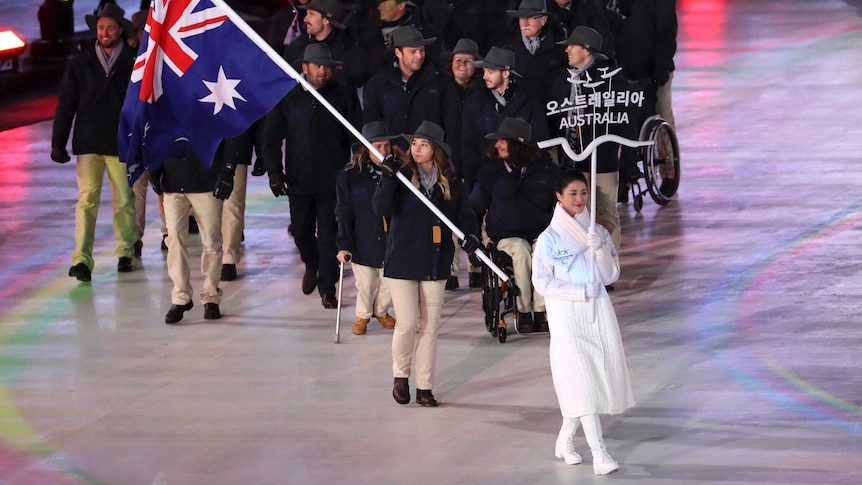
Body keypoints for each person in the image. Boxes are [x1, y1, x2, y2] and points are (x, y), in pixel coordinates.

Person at [531, 169, 634, 475]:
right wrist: (578, 292)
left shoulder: (597, 232)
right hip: (567, 316)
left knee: (591, 376)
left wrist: (600, 249)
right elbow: (542, 282)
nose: (579, 199)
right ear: (559, 197)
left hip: (598, 312)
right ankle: (599, 453)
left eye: (584, 193)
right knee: (582, 378)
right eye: (572, 193)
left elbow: (610, 276)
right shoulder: (548, 239)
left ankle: (564, 440)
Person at [372, 121, 479, 407]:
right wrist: (388, 178)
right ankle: (400, 376)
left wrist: (472, 237)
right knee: (407, 323)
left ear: (436, 151)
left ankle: (425, 387)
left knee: (430, 327)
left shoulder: (452, 181)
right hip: (403, 260)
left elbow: (464, 215)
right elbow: (380, 208)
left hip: (436, 260)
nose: (416, 149)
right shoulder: (402, 175)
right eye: (414, 144)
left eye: (423, 144)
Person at [263, 43, 361, 308]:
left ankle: (328, 287)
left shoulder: (343, 95)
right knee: (302, 233)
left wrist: (357, 167)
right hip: (299, 179)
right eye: (318, 66)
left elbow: (356, 136)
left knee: (330, 236)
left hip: (333, 180)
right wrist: (274, 172)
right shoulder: (289, 96)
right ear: (304, 67)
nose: (323, 71)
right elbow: (271, 138)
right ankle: (312, 264)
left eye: (327, 66)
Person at [51, 3, 137, 282]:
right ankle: (82, 260)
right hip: (88, 141)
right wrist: (58, 143)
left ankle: (125, 252)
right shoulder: (80, 63)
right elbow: (66, 104)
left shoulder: (134, 62)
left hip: (120, 142)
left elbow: (142, 104)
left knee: (124, 200)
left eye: (110, 27)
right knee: (87, 200)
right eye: (100, 28)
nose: (104, 32)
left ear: (120, 30)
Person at [550, 26, 633, 257]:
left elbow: (625, 122)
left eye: (572, 46)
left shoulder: (611, 80)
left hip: (603, 160)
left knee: (605, 212)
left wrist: (629, 161)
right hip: (572, 160)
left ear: (587, 50)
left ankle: (608, 266)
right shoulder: (561, 80)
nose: (567, 50)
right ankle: (583, 264)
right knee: (577, 214)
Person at [470, 118, 558, 333]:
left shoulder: (546, 170)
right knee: (521, 251)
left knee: (542, 251)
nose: (497, 145)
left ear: (518, 144)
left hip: (539, 232)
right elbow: (475, 206)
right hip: (504, 235)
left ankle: (541, 310)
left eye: (503, 141)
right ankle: (524, 310)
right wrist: (474, 240)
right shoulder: (490, 171)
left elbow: (559, 202)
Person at [150, 142, 236, 324]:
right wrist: (153, 167)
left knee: (212, 243)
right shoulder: (166, 112)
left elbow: (229, 134)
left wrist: (228, 171)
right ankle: (181, 297)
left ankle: (211, 296)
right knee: (174, 239)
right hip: (172, 182)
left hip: (207, 182)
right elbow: (157, 134)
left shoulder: (211, 112)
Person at [362, 24, 462, 166]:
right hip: (392, 164)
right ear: (398, 52)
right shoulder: (378, 85)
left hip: (432, 164)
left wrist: (448, 159)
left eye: (422, 50)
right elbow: (371, 126)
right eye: (413, 51)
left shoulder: (441, 82)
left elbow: (453, 125)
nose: (419, 56)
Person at [335, 122, 399, 335]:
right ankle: (362, 315)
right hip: (364, 237)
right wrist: (343, 244)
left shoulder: (399, 172)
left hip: (393, 238)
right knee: (366, 284)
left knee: (391, 283)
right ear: (365, 148)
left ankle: (380, 311)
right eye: (377, 146)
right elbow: (344, 209)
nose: (383, 151)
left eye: (387, 146)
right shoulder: (350, 175)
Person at [501, 0, 568, 103]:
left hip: (553, 108)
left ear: (543, 20)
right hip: (519, 110)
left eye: (531, 18)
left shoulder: (560, 48)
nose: (525, 23)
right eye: (522, 18)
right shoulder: (507, 50)